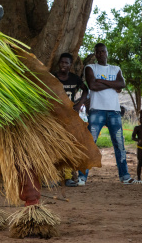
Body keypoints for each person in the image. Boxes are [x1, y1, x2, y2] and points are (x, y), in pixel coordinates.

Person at [79, 43, 134, 184]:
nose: (101, 54)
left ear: (107, 52)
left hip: (114, 112)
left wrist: (102, 80)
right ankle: (82, 177)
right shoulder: (90, 68)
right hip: (97, 110)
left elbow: (121, 84)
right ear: (95, 54)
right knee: (90, 144)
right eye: (98, 52)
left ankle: (125, 176)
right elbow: (92, 86)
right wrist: (112, 84)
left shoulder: (116, 69)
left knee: (119, 145)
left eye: (103, 51)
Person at [52, 52, 88, 186]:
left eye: (66, 63)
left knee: (68, 145)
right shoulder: (53, 77)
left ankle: (67, 177)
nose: (63, 65)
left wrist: (79, 105)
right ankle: (54, 176)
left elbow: (86, 90)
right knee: (53, 145)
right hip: (54, 116)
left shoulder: (74, 79)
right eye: (62, 62)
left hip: (69, 116)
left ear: (70, 65)